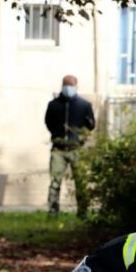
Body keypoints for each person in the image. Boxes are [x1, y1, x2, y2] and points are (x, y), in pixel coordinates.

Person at [44, 75, 95, 218]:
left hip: (76, 149)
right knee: (55, 183)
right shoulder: (53, 105)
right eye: (66, 84)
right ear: (62, 85)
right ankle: (53, 213)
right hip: (58, 150)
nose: (69, 87)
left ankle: (82, 213)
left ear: (76, 86)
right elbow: (48, 122)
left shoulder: (84, 105)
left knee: (80, 182)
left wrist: (80, 137)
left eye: (71, 84)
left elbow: (90, 125)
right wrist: (57, 135)